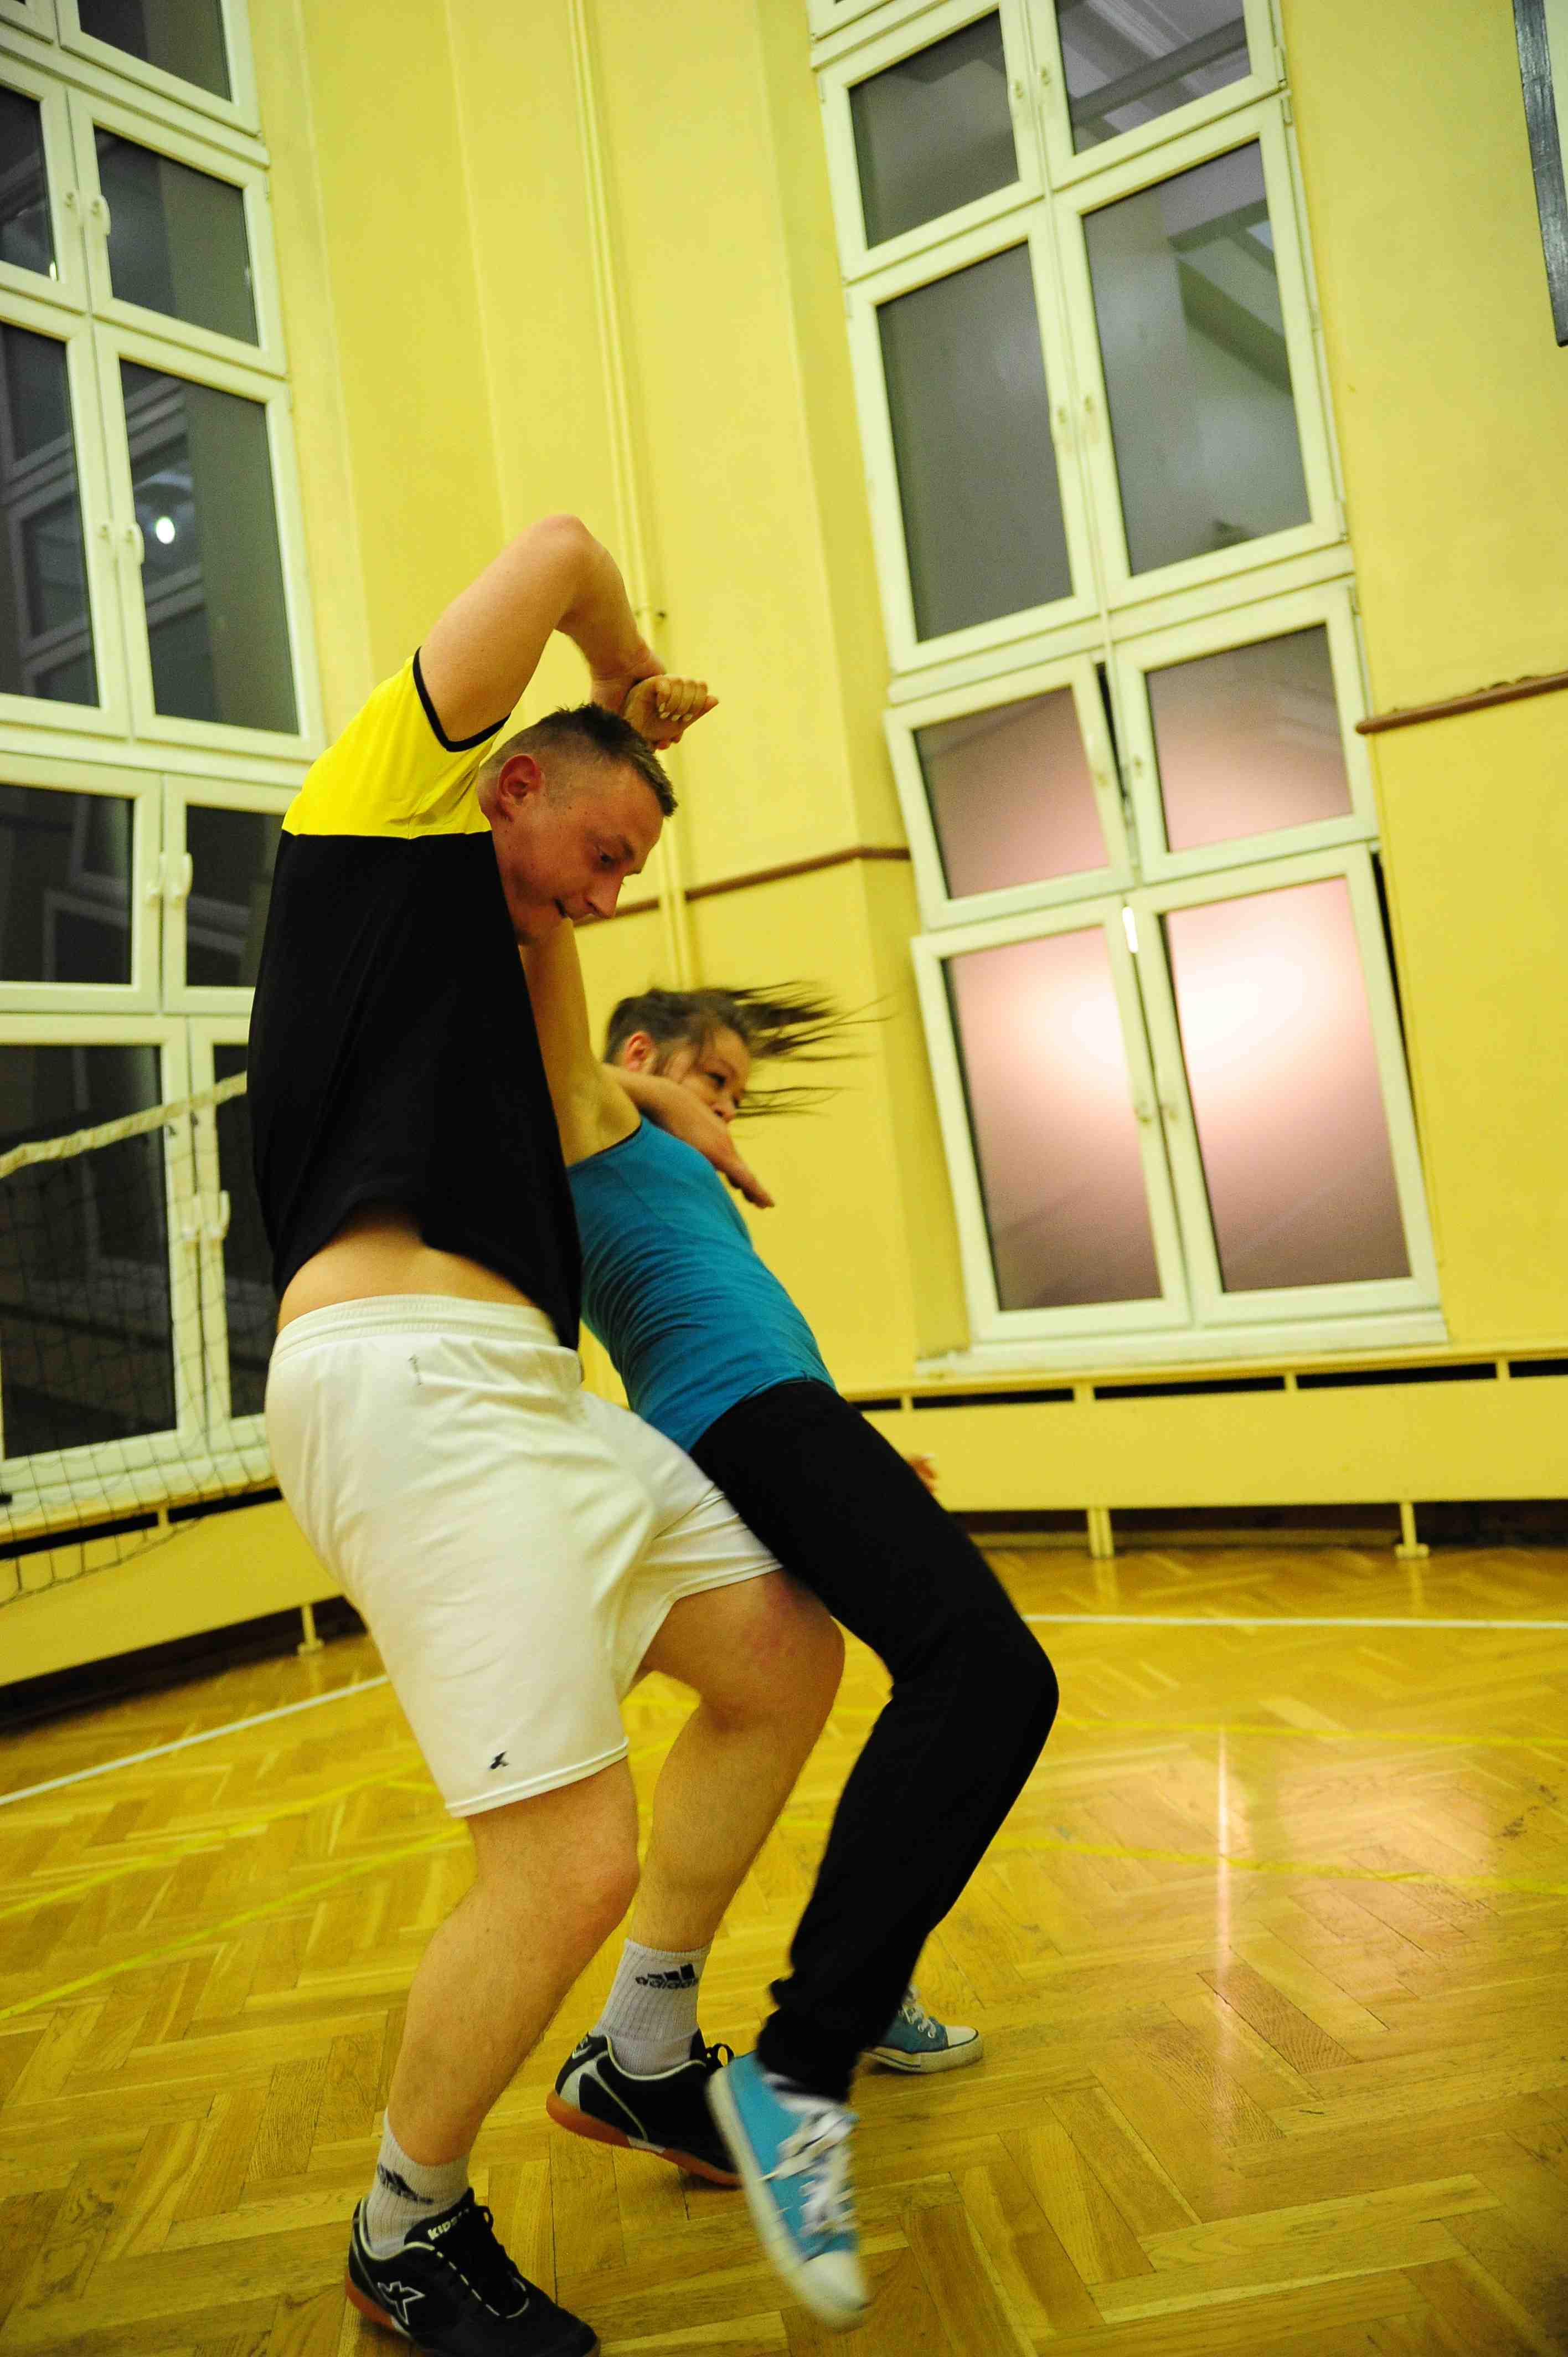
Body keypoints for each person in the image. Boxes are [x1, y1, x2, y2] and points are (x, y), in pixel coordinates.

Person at [247, 518, 846, 2357]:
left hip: (527, 1393)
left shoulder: (505, 959)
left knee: (782, 1651)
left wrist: (677, 1105)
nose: (613, 895)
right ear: (508, 782)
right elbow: (563, 547)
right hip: (407, 1384)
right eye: (606, 856)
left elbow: (588, 1087)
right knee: (568, 1860)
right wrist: (628, 677)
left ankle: (643, 2051)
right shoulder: (373, 821)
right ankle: (406, 2227)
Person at [520, 894, 1059, 2333]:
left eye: (737, 1095)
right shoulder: (596, 1113)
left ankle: (826, 2006)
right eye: (716, 1079)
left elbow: (748, 1316)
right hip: (740, 1418)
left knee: (914, 1683)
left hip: (783, 1418)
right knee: (987, 1673)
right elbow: (538, 964)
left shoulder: (657, 1143)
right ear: (641, 1054)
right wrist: (651, 1094)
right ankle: (804, 2062)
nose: (727, 1112)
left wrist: (860, 1453)